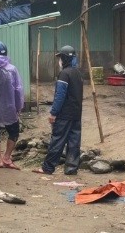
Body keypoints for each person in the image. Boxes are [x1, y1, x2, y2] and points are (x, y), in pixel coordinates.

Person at [33, 45, 83, 175]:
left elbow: (60, 96)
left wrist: (53, 113)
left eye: (60, 58)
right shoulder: (78, 73)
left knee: (57, 140)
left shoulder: (64, 74)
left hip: (64, 114)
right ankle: (71, 168)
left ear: (65, 58)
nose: (59, 61)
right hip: (76, 114)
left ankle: (48, 168)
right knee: (74, 141)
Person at [0, 41, 24, 170]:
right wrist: (19, 106)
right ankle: (7, 157)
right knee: (13, 132)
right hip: (9, 107)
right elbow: (18, 89)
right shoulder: (11, 69)